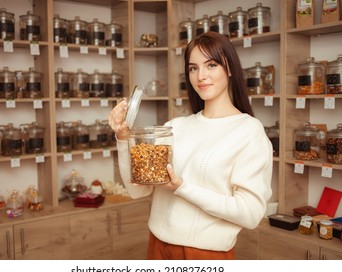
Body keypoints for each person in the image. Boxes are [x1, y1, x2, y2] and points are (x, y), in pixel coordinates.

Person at [108, 31, 273, 260]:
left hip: (205, 254)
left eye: (211, 65)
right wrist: (123, 137)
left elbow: (250, 214)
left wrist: (182, 188)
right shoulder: (175, 127)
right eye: (193, 68)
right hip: (157, 245)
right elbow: (138, 190)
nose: (201, 76)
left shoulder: (248, 131)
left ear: (230, 68)